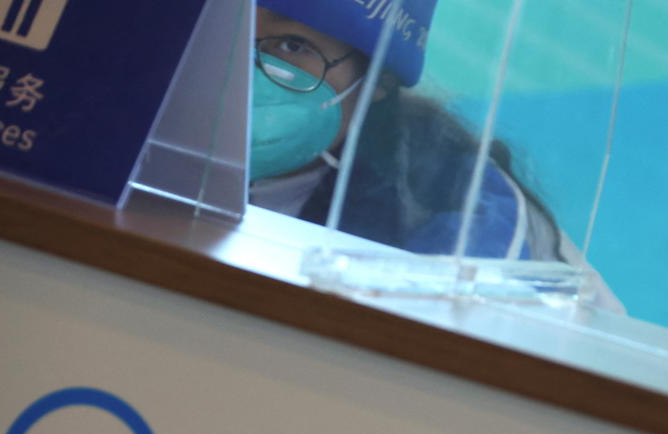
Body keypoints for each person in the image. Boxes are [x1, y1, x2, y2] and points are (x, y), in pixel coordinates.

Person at [249, 0, 624, 309]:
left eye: (293, 46)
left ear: (378, 80)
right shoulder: (192, 131)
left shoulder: (458, 206)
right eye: (235, 31)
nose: (246, 68)